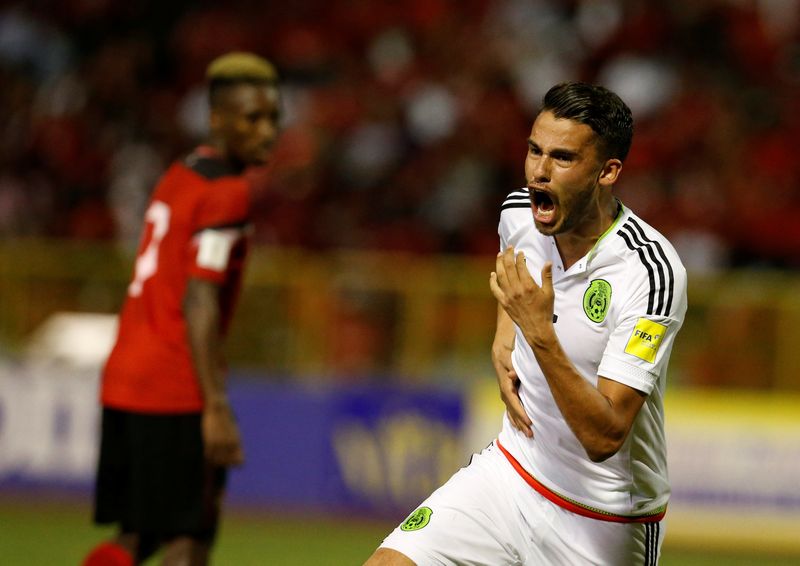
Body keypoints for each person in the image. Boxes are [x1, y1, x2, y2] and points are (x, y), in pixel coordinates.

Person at [365, 82, 687, 565]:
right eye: (534, 150)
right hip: (509, 477)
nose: (539, 171)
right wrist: (504, 334)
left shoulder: (650, 273)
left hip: (603, 520)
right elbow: (511, 260)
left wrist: (537, 332)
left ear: (607, 171)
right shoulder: (520, 212)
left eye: (562, 158)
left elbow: (605, 436)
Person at [83, 52, 281, 566]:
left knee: (137, 536)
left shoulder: (181, 173)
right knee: (190, 538)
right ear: (217, 118)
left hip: (125, 375)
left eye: (274, 117)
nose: (268, 131)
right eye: (252, 118)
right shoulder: (228, 193)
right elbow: (200, 296)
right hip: (175, 385)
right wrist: (214, 404)